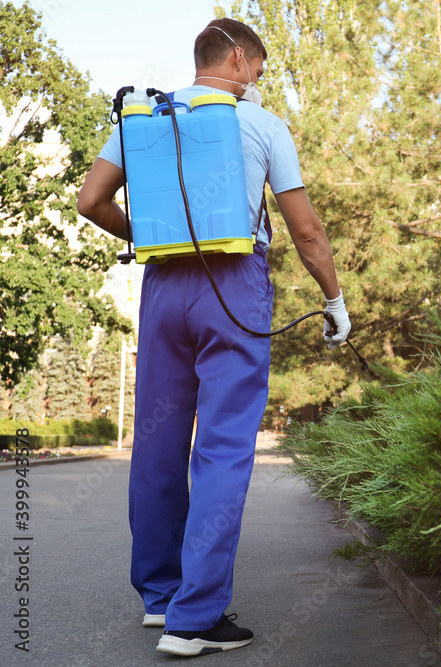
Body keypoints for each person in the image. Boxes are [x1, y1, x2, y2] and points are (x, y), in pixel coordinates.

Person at [76, 17, 351, 657]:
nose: (256, 80)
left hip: (164, 287)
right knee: (224, 448)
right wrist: (334, 300)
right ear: (235, 59)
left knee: (157, 443)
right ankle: (195, 619)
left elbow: (90, 202)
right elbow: (307, 231)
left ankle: (161, 598)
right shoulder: (262, 124)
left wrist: (151, 235)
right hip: (232, 285)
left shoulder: (142, 118)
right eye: (257, 68)